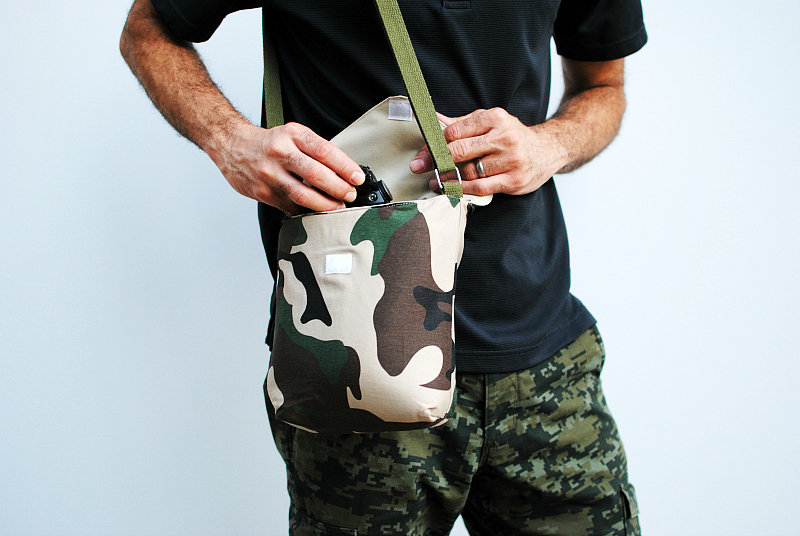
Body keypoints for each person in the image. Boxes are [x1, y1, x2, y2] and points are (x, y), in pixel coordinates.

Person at [121, 0, 647, 533]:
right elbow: (147, 28)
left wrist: (549, 145)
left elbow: (603, 86)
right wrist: (230, 141)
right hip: (356, 373)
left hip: (545, 365)